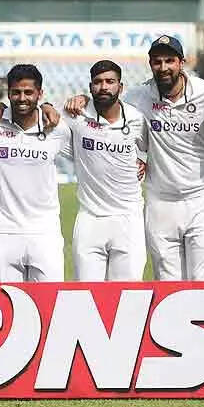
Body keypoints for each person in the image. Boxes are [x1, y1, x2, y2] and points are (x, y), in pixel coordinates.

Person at [65, 35, 204, 280]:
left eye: (169, 60)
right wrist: (84, 100)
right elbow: (108, 103)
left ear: (182, 62)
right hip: (161, 202)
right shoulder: (139, 97)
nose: (163, 67)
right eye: (157, 61)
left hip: (202, 199)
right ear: (151, 64)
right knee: (167, 284)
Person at [0, 64, 70, 283]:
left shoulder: (57, 128)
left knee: (49, 302)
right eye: (16, 92)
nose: (22, 98)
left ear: (40, 93)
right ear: (8, 92)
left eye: (29, 92)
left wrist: (140, 160)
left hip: (45, 233)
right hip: (2, 233)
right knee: (5, 302)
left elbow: (88, 155)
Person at [64, 61, 149, 281]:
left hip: (128, 218)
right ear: (90, 87)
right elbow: (45, 117)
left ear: (120, 87)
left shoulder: (137, 119)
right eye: (98, 82)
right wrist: (47, 106)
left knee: (128, 294)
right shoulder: (76, 116)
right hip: (90, 218)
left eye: (110, 81)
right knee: (87, 294)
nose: (103, 87)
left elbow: (152, 149)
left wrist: (144, 160)